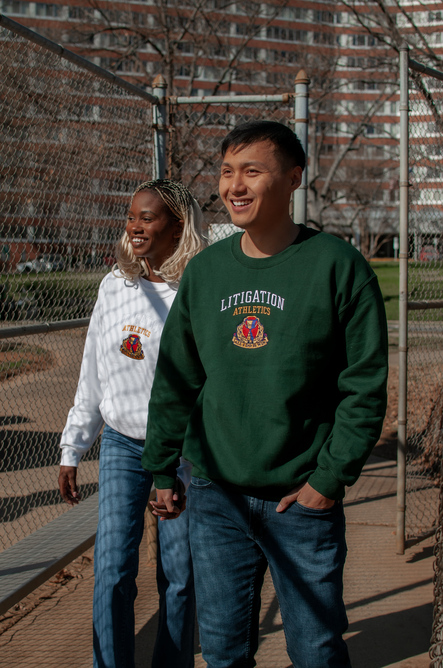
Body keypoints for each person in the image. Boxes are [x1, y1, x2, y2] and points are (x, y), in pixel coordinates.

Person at [142, 122, 388, 668]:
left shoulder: (338, 267)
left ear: (294, 178)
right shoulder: (205, 272)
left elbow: (365, 386)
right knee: (223, 652)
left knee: (316, 651)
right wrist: (161, 468)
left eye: (252, 171)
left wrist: (327, 481)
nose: (235, 185)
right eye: (227, 171)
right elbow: (177, 379)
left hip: (300, 500)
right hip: (216, 498)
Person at [58, 179, 206, 668]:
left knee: (179, 573)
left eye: (148, 218)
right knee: (113, 569)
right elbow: (93, 371)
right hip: (123, 443)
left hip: (182, 449)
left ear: (177, 227)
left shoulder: (195, 289)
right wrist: (74, 446)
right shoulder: (113, 286)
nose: (135, 227)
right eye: (130, 217)